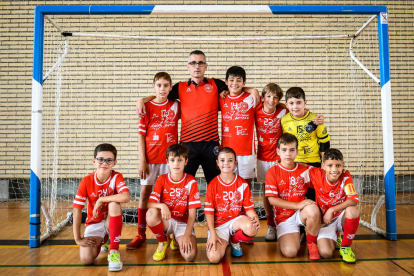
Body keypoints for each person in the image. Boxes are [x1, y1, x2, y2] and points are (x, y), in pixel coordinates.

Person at [136, 50, 260, 185]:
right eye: (193, 63)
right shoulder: (180, 87)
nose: (197, 66)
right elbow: (160, 95)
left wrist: (253, 90)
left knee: (216, 183)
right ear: (187, 66)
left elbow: (236, 86)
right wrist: (142, 100)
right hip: (188, 145)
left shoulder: (216, 84)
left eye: (200, 63)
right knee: (184, 183)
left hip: (211, 144)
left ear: (205, 66)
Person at [256, 84, 325, 242]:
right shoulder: (257, 110)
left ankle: (313, 229)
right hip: (265, 157)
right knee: (271, 193)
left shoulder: (285, 111)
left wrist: (316, 118)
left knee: (306, 193)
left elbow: (299, 110)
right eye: (268, 97)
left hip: (291, 158)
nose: (272, 100)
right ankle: (274, 225)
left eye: (275, 98)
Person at [127, 72, 180, 250]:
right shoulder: (147, 107)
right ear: (154, 87)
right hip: (151, 159)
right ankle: (140, 234)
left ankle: (170, 234)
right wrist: (143, 160)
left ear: (171, 88)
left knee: (169, 197)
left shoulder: (176, 106)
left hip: (170, 161)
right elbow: (141, 135)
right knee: (144, 195)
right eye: (159, 85)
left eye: (166, 85)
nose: (162, 88)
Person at [72, 143, 130, 272]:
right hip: (95, 222)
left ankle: (113, 251)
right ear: (94, 161)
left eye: (109, 160)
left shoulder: (116, 176)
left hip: (111, 220)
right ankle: (102, 240)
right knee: (86, 260)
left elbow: (125, 197)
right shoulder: (86, 181)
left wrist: (102, 199)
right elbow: (77, 210)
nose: (104, 163)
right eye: (100, 159)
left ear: (114, 163)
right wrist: (77, 239)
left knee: (114, 204)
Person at [265, 133, 321, 260]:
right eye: (284, 150)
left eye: (291, 150)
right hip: (284, 217)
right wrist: (297, 205)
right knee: (290, 252)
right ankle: (294, 235)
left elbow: (323, 180)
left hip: (301, 212)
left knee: (312, 209)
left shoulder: (304, 170)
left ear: (297, 151)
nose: (288, 154)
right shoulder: (272, 172)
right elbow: (272, 200)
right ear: (278, 151)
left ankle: (312, 243)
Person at [146, 144, 201, 262]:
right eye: (172, 160)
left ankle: (177, 239)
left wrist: (186, 236)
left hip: (183, 223)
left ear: (186, 161)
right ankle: (163, 241)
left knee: (189, 256)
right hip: (167, 220)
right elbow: (149, 204)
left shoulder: (191, 181)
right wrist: (162, 205)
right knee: (151, 214)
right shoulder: (162, 179)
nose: (176, 163)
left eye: (180, 160)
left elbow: (192, 214)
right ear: (167, 162)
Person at [204, 147, 260, 262]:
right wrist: (213, 233)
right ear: (217, 163)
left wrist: (255, 218)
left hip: (236, 221)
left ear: (235, 163)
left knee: (252, 226)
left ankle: (235, 241)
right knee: (214, 258)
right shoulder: (212, 185)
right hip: (219, 225)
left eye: (230, 160)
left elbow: (249, 208)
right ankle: (225, 240)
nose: (226, 163)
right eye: (223, 160)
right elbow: (209, 213)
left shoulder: (242, 183)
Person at [308, 148, 360, 263]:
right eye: (330, 165)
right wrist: (281, 162)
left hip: (340, 216)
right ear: (323, 166)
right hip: (326, 221)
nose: (334, 169)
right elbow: (299, 167)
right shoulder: (317, 174)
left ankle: (346, 246)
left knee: (353, 211)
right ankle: (336, 236)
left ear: (343, 165)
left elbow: (353, 200)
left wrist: (332, 209)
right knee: (326, 253)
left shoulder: (346, 176)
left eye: (338, 165)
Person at [219, 66, 258, 188]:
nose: (235, 83)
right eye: (231, 80)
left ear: (244, 83)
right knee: (228, 184)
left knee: (246, 186)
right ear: (226, 82)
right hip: (227, 150)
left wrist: (253, 90)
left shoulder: (252, 98)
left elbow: (272, 103)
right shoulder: (221, 98)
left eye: (239, 80)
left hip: (247, 151)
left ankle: (245, 208)